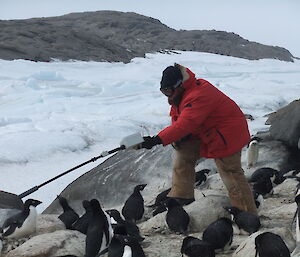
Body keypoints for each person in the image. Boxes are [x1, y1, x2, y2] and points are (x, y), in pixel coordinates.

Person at [137, 63, 257, 215]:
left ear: (179, 85)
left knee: (231, 174)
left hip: (227, 136)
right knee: (183, 152)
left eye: (168, 90)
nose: (167, 95)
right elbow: (179, 118)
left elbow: (185, 124)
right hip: (207, 132)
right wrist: (178, 137)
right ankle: (182, 197)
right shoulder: (181, 94)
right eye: (163, 91)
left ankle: (248, 215)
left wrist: (156, 139)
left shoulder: (199, 94)